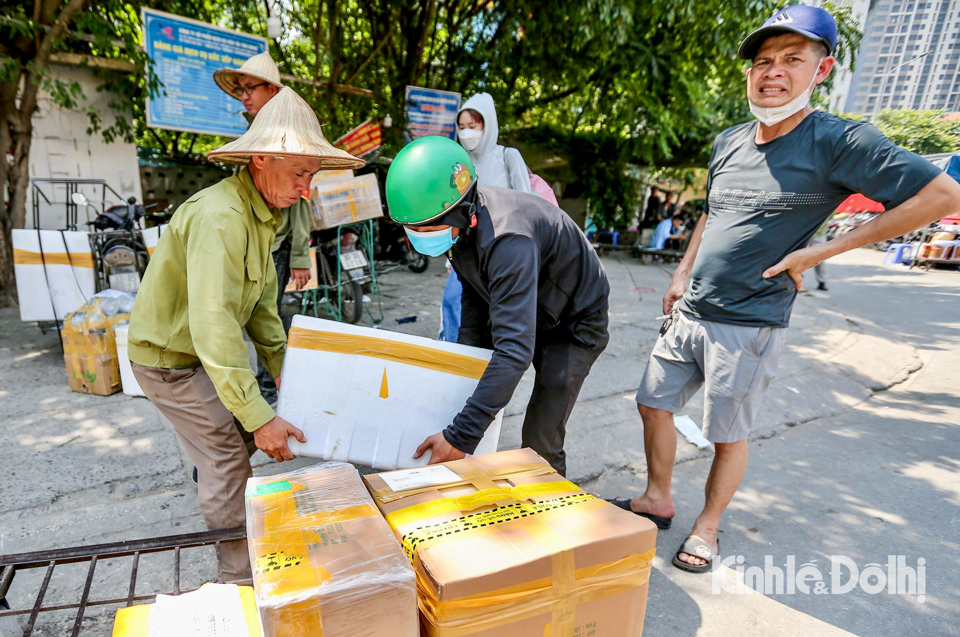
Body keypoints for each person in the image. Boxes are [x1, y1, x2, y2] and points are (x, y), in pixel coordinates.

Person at [607, 4, 960, 574]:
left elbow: (944, 198)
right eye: (763, 61)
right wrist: (679, 273)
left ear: (821, 71)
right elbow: (711, 213)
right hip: (691, 312)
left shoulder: (841, 141)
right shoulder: (729, 141)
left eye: (793, 59)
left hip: (750, 323)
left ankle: (708, 526)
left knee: (727, 433)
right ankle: (657, 498)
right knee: (652, 405)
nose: (772, 71)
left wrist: (824, 250)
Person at [127, 88, 364, 581]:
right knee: (228, 456)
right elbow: (214, 327)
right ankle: (237, 577)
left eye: (312, 176)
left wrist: (296, 381)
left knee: (238, 436)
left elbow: (263, 314)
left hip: (202, 354)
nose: (305, 189)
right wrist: (261, 417)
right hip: (169, 363)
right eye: (300, 173)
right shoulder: (222, 217)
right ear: (260, 158)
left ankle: (223, 485)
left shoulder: (265, 214)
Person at [386, 136, 609, 476]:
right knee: (469, 394)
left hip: (574, 319)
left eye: (423, 228)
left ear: (459, 211)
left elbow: (514, 350)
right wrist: (459, 381)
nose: (416, 235)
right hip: (531, 299)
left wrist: (460, 436)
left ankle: (551, 517)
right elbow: (475, 310)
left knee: (540, 439)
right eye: (410, 229)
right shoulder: (461, 231)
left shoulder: (508, 241)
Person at [214, 52, 312, 404]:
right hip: (251, 239)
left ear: (271, 89)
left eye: (249, 88)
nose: (243, 95)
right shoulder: (254, 132)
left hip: (278, 243)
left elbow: (302, 199)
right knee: (243, 313)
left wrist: (301, 255)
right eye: (240, 89)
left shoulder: (291, 133)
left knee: (268, 312)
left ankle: (271, 387)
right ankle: (258, 390)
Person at [440, 93, 533, 342]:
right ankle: (453, 362)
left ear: (487, 124)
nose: (467, 132)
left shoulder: (508, 156)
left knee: (497, 315)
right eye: (461, 127)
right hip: (467, 251)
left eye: (473, 126)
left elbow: (528, 205)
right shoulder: (460, 165)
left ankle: (488, 367)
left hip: (504, 249)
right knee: (453, 304)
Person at [806, 218, 831, 291]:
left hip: (818, 232)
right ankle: (822, 281)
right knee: (797, 254)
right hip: (810, 232)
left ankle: (822, 281)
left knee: (820, 257)